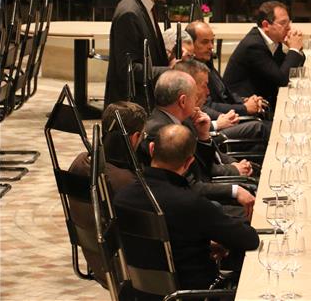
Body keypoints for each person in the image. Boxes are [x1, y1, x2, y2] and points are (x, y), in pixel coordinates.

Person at [113, 124, 259, 291]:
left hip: (140, 292)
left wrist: (202, 244)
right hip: (196, 293)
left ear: (152, 149)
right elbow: (250, 240)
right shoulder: (191, 203)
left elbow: (150, 248)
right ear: (189, 161)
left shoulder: (121, 198)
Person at [142, 70, 256, 219]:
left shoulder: (184, 120)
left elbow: (204, 169)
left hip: (204, 192)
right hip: (185, 208)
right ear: (183, 101)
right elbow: (189, 185)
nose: (197, 100)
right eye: (194, 96)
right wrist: (234, 190)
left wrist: (203, 136)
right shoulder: (162, 131)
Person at [68, 102, 147, 288]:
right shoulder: (127, 183)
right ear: (135, 138)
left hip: (99, 263)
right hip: (130, 273)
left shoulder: (79, 164)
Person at [104, 0, 178, 108]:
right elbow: (128, 69)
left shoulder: (144, 7)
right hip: (133, 109)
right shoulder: (129, 12)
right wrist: (170, 70)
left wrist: (168, 57)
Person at [223, 1, 305, 109]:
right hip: (242, 105)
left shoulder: (273, 40)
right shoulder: (254, 46)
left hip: (264, 98)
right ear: (266, 25)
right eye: (283, 23)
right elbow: (282, 80)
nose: (289, 28)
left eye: (289, 22)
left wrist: (297, 49)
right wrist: (294, 49)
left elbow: (289, 71)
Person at [174, 58, 269, 150]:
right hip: (209, 137)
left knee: (258, 147)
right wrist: (217, 124)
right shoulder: (180, 112)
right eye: (204, 86)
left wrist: (243, 101)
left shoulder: (208, 67)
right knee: (258, 127)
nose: (208, 92)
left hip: (212, 133)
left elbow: (227, 93)